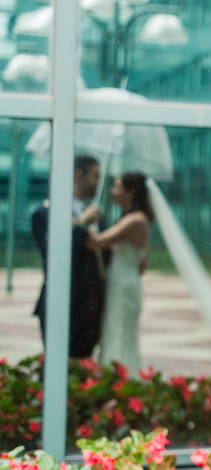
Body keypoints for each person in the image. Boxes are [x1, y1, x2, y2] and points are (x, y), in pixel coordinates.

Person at [31, 154, 110, 358]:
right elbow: (54, 252)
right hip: (61, 301)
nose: (98, 182)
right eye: (95, 175)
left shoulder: (97, 215)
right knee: (58, 362)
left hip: (91, 306)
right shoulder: (46, 212)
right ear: (78, 175)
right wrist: (82, 226)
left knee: (84, 366)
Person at [82, 172, 153, 373]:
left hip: (123, 287)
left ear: (131, 193)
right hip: (124, 283)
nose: (112, 191)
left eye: (117, 187)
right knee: (117, 334)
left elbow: (94, 243)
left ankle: (121, 381)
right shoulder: (135, 219)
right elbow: (143, 264)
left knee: (120, 336)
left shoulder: (134, 221)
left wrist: (84, 221)